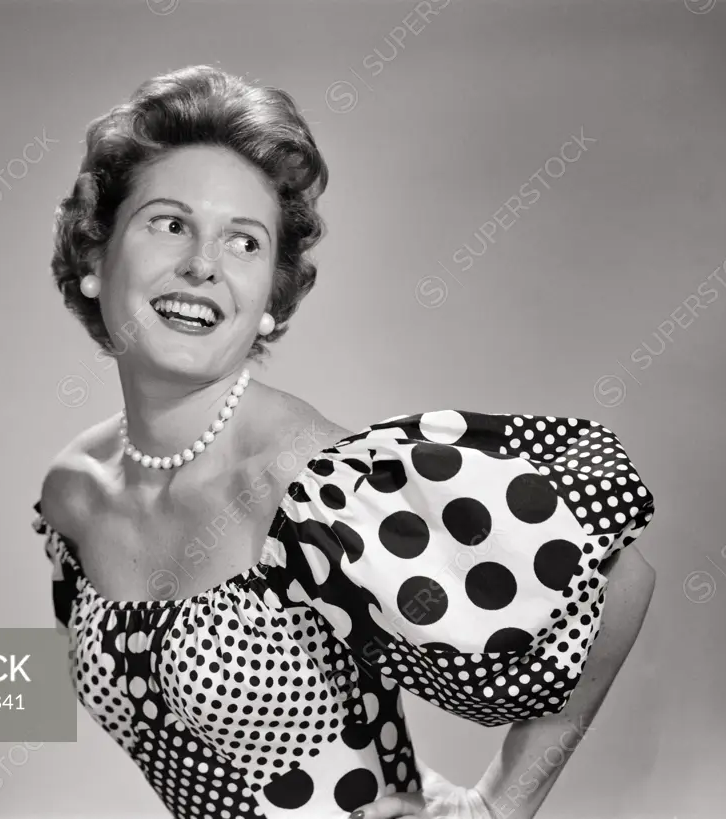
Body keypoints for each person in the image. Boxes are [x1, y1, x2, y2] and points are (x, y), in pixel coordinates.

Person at [32, 64, 657, 819]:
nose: (203, 264)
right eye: (169, 223)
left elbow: (621, 580)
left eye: (244, 242)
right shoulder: (72, 490)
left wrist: (493, 807)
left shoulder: (308, 481)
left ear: (270, 298)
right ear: (95, 258)